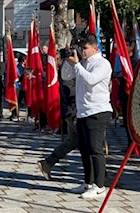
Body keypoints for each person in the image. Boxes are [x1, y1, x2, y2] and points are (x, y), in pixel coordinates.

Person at [65, 34, 113, 198]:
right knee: (84, 149)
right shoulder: (82, 63)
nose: (82, 52)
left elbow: (91, 80)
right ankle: (88, 183)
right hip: (83, 111)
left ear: (95, 48)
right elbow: (66, 76)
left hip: (98, 111)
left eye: (85, 48)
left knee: (95, 149)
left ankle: (100, 185)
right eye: (81, 48)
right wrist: (68, 59)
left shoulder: (103, 64)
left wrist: (77, 65)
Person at [38, 40, 79, 180]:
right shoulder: (67, 69)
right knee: (88, 143)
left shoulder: (69, 67)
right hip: (73, 110)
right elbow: (71, 90)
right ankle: (97, 178)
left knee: (74, 141)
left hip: (73, 110)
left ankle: (48, 163)